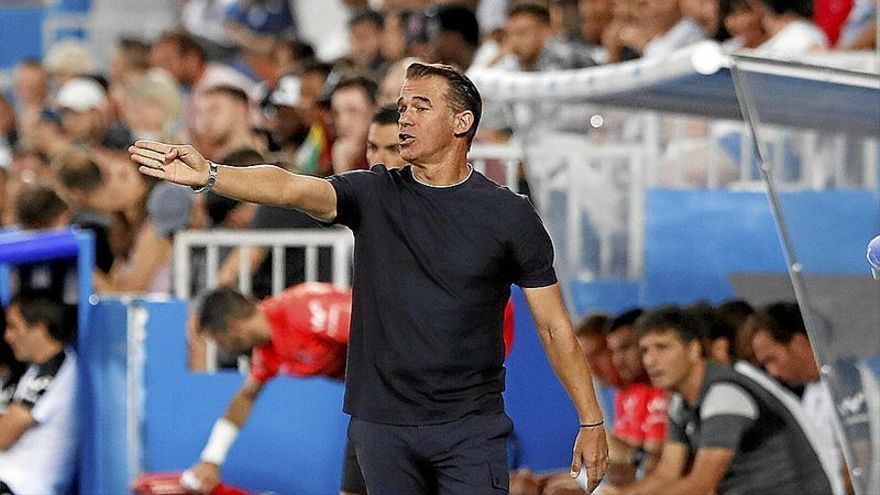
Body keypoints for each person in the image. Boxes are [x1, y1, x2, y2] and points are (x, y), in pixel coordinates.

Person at [131, 61, 608, 494]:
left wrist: (590, 420)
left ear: (462, 123)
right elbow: (289, 186)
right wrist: (212, 174)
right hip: (382, 429)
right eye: (402, 107)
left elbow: (552, 326)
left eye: (421, 106)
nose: (405, 117)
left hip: (469, 426)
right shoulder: (372, 194)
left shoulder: (510, 215)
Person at [603, 305, 834, 495]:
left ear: (693, 350)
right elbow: (666, 474)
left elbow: (701, 485)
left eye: (662, 347)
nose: (651, 360)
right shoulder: (678, 402)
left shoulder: (724, 394)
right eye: (644, 350)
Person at [0, 295, 78, 495]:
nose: (7, 336)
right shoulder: (32, 369)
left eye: (14, 327)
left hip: (21, 486)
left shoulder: (58, 366)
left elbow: (3, 435)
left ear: (40, 329)